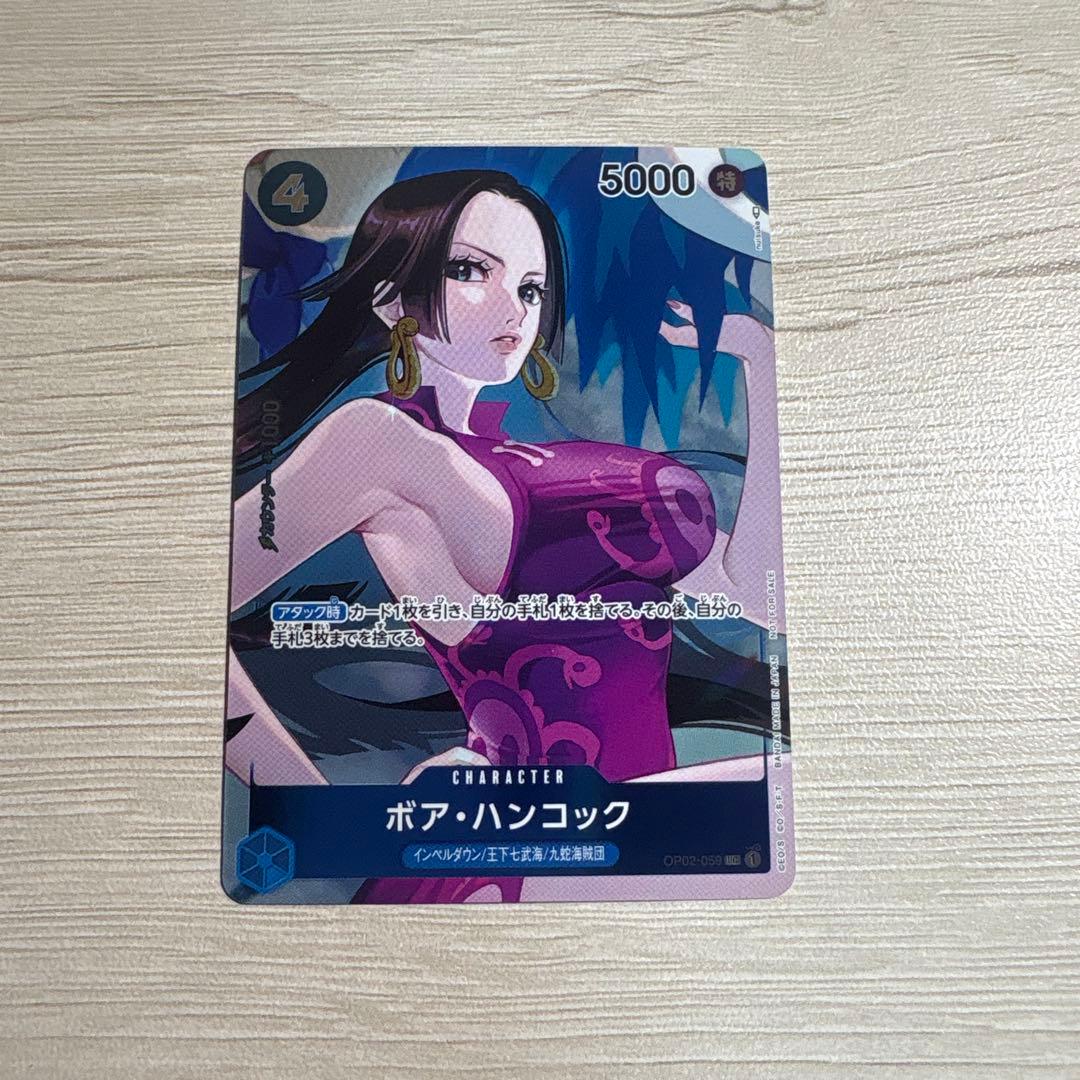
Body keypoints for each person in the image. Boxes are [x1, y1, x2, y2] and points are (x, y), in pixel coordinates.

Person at [224, 169, 780, 902]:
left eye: (531, 287)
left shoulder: (526, 457)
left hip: (625, 832)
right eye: (469, 271)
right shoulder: (376, 438)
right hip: (509, 848)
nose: (513, 308)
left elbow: (756, 594)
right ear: (391, 299)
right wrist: (330, 820)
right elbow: (195, 615)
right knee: (779, 801)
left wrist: (760, 362)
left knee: (786, 806)